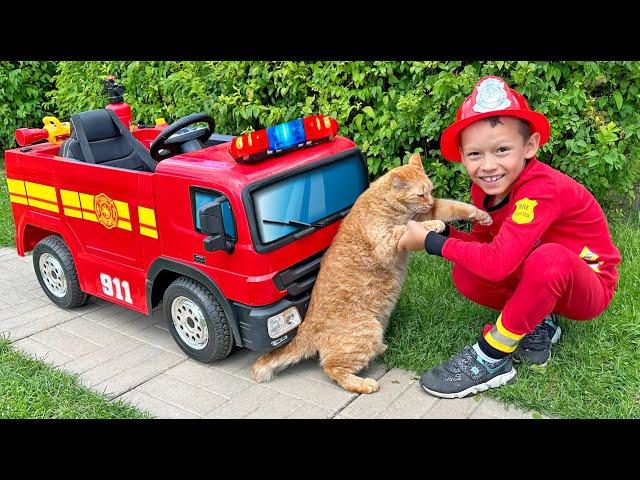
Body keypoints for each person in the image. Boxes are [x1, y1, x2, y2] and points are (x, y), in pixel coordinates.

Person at [397, 76, 621, 399]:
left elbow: (500, 263)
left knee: (549, 260)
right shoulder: (484, 189)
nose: (488, 165)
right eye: (475, 154)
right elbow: (488, 250)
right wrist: (444, 232)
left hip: (590, 282)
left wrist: (433, 244)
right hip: (541, 265)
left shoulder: (540, 189)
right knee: (465, 274)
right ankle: (539, 320)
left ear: (529, 146)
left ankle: (492, 356)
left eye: (502, 149)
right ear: (462, 155)